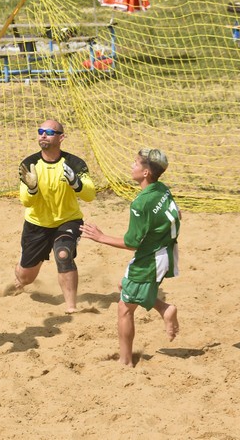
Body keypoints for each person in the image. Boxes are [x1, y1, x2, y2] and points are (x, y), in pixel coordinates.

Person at [80, 149, 180, 367]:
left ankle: (125, 361)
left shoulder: (140, 204)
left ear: (145, 173)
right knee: (125, 286)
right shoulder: (162, 189)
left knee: (124, 308)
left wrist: (100, 237)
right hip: (166, 252)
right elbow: (178, 215)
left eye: (135, 163)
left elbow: (132, 243)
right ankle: (164, 308)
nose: (131, 166)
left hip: (150, 259)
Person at [13, 119, 96, 313]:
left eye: (49, 132)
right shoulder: (29, 163)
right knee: (25, 278)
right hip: (37, 223)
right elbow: (26, 201)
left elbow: (90, 195)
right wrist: (32, 188)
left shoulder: (74, 163)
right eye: (40, 130)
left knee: (63, 254)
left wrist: (77, 184)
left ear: (61, 137)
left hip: (68, 220)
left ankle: (71, 306)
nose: (43, 134)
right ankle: (22, 267)